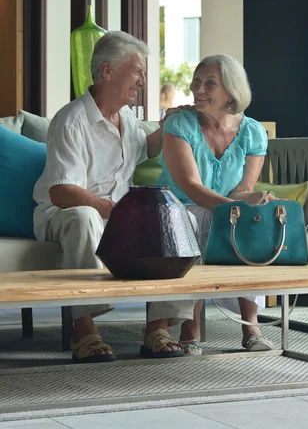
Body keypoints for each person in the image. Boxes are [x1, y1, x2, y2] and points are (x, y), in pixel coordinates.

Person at [33, 31, 166, 364]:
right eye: (137, 71)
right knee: (84, 216)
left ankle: (158, 327)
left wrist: (170, 126)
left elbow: (145, 148)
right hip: (61, 215)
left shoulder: (129, 120)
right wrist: (112, 210)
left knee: (181, 219)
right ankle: (84, 330)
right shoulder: (71, 120)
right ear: (107, 71)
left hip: (114, 215)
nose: (143, 81)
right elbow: (61, 191)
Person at [142, 54, 274, 359]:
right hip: (174, 206)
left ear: (231, 91)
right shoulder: (180, 123)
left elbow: (242, 190)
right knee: (189, 221)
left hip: (218, 206)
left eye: (209, 83)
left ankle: (251, 327)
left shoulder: (252, 131)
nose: (198, 88)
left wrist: (254, 201)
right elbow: (189, 186)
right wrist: (232, 208)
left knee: (248, 220)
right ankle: (190, 329)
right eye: (196, 81)